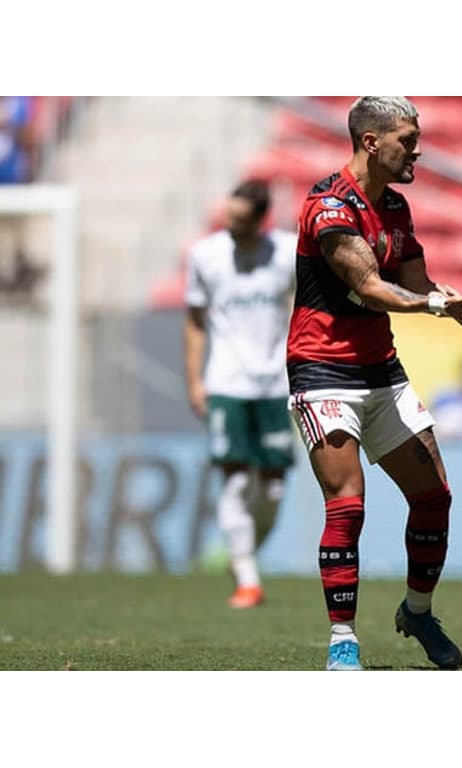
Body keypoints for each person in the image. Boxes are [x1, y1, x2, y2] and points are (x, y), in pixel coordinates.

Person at [286, 96, 462, 671]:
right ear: (372, 142)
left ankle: (418, 612)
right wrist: (432, 304)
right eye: (407, 138)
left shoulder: (396, 208)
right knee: (348, 505)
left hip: (381, 371)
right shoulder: (327, 207)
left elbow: (420, 284)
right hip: (322, 369)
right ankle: (342, 639)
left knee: (434, 497)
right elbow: (373, 287)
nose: (417, 149)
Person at [184, 179, 297, 609]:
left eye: (242, 220)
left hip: (274, 384)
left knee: (272, 491)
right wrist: (195, 379)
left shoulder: (285, 253)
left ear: (261, 220)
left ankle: (243, 556)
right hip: (227, 383)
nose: (232, 226)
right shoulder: (206, 255)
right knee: (234, 479)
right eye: (229, 217)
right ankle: (248, 578)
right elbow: (194, 321)